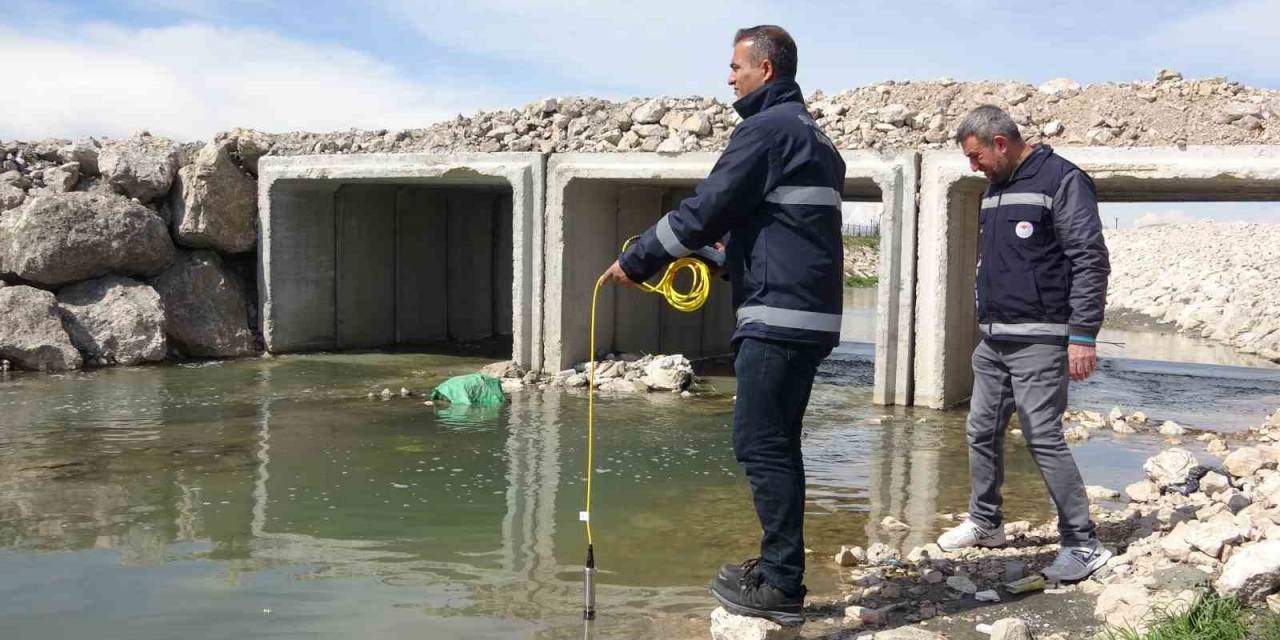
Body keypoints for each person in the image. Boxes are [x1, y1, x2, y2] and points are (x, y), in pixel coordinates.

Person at [600, 24, 845, 624]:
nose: (729, 77)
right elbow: (777, 234)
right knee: (779, 443)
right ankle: (778, 567)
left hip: (777, 318)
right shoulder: (814, 138)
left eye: (736, 66)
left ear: (766, 69)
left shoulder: (766, 130)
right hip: (804, 315)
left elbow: (706, 208)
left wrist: (638, 260)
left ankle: (781, 584)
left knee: (760, 444)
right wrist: (720, 258)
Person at [936, 105, 1112, 583]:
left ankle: (1083, 543)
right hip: (994, 340)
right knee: (980, 430)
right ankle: (986, 523)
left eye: (976, 156)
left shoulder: (1063, 180)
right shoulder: (996, 186)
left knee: (1043, 437)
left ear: (1000, 143)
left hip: (1041, 338)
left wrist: (1082, 335)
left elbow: (1089, 259)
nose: (973, 166)